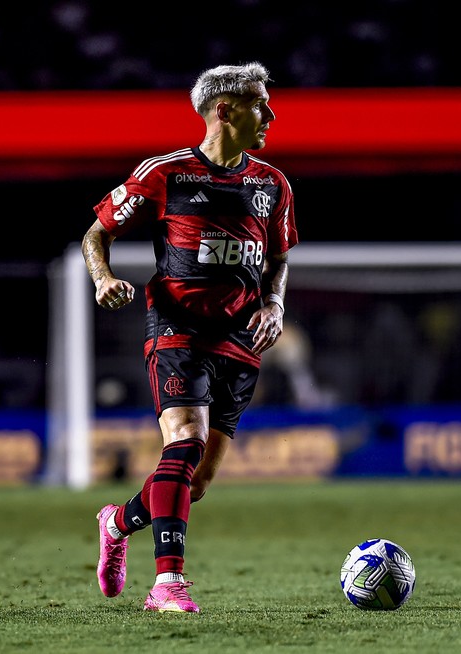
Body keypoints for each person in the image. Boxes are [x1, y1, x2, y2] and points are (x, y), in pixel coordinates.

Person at [81, 61, 298, 613]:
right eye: (260, 103)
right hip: (177, 325)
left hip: (242, 339)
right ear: (225, 110)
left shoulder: (272, 184)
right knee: (184, 439)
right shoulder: (167, 173)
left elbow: (277, 261)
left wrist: (274, 303)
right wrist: (104, 278)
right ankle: (168, 584)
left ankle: (117, 521)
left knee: (194, 481)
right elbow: (96, 233)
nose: (270, 113)